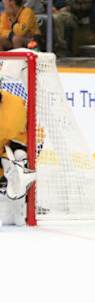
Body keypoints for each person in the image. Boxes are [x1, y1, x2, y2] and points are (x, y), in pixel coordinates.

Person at [0, 87, 36, 225]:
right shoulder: (14, 105)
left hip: (7, 154)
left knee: (19, 156)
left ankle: (18, 199)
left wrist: (13, 164)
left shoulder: (14, 106)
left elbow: (26, 139)